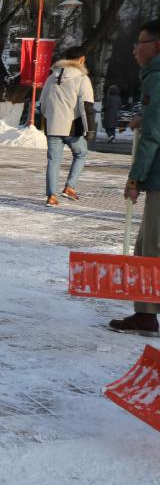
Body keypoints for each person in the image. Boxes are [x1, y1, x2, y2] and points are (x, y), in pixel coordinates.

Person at [108, 20, 160, 336]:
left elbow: (155, 134)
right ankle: (144, 312)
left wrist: (135, 179)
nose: (134, 48)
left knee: (149, 247)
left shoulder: (156, 79)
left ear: (156, 45)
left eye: (139, 42)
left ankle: (146, 314)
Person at [40, 46, 96, 205]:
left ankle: (51, 196)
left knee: (53, 161)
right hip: (72, 127)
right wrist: (89, 129)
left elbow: (43, 104)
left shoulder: (51, 78)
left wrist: (49, 118)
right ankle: (69, 187)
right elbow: (86, 106)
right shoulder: (82, 79)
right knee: (81, 153)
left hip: (52, 126)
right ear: (82, 59)